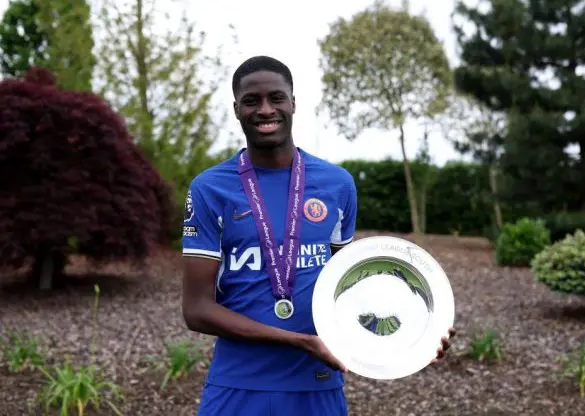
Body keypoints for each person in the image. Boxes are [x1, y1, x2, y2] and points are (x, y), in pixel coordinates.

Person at [181, 55, 455, 416]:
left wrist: (418, 333)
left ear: (293, 102)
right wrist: (300, 341)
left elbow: (351, 289)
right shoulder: (209, 189)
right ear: (236, 109)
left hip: (318, 384)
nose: (265, 110)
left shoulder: (337, 184)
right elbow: (197, 310)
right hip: (237, 384)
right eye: (252, 101)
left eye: (276, 98)